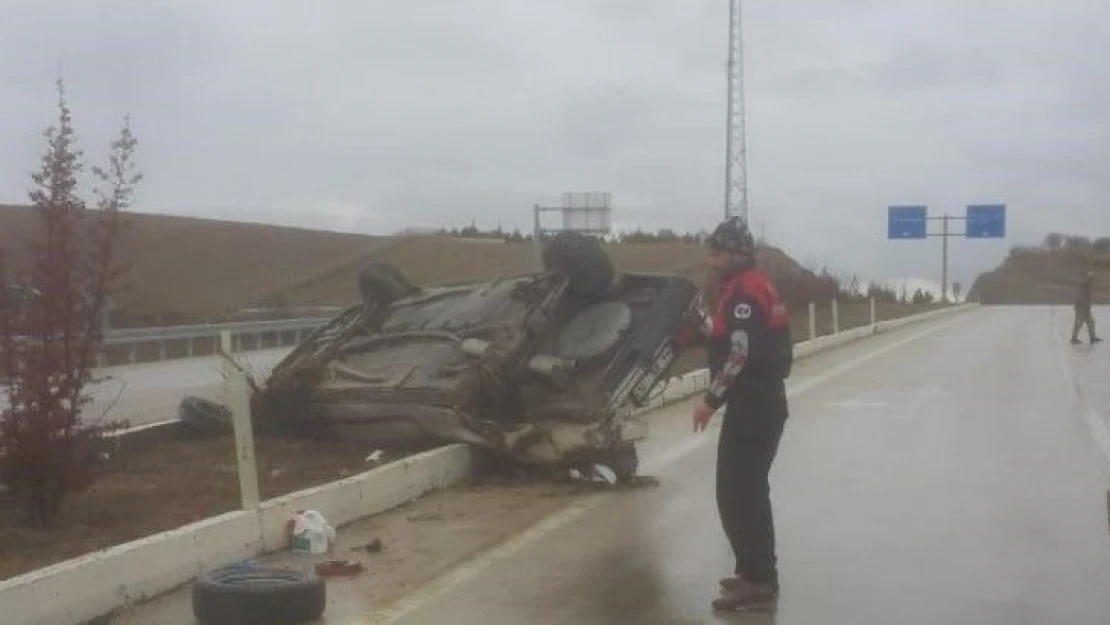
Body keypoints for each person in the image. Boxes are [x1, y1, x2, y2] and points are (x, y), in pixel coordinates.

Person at [679, 216, 793, 612]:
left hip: (755, 405)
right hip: (757, 404)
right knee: (742, 491)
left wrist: (709, 401)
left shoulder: (745, 293)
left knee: (739, 493)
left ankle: (760, 580)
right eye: (710, 253)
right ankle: (753, 570)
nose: (712, 262)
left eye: (718, 254)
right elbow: (733, 340)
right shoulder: (743, 287)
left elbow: (741, 354)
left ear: (738, 254)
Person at [1071, 271, 1101, 345]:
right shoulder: (1083, 287)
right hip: (1082, 307)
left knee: (1089, 322)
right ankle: (1075, 338)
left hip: (1084, 307)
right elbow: (1079, 298)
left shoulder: (1087, 287)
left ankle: (1092, 337)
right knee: (1080, 322)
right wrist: (1085, 304)